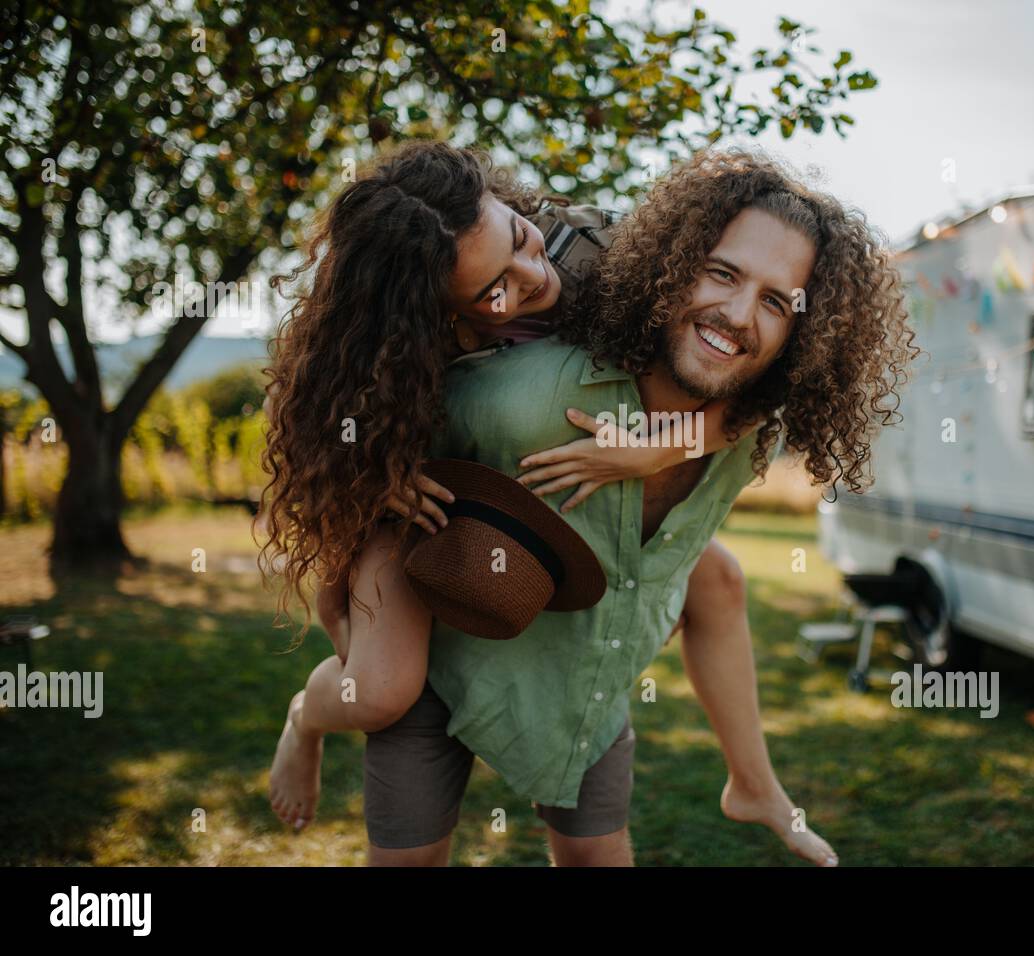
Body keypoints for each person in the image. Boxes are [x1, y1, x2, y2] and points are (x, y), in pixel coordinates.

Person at [258, 142, 907, 864]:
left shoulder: (596, 253)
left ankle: (753, 784)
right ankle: (304, 720)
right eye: (493, 290)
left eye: (519, 242)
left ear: (508, 205)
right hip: (420, 500)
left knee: (715, 579)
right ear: (442, 309)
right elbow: (334, 434)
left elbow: (766, 380)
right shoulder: (416, 346)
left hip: (550, 544)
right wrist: (378, 477)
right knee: (378, 688)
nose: (533, 278)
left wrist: (667, 444)